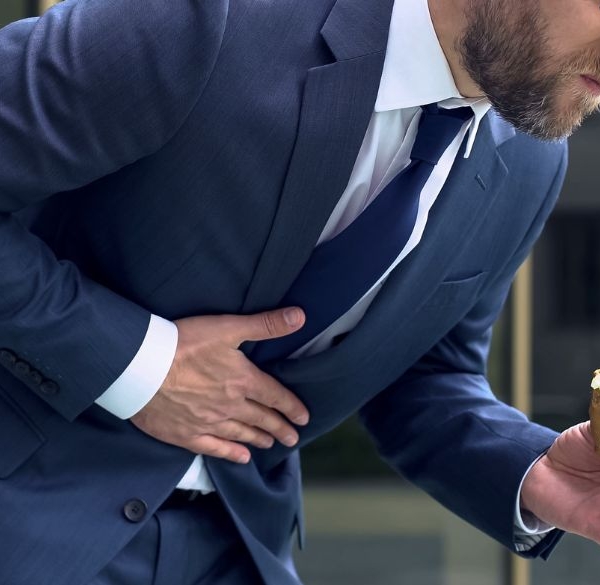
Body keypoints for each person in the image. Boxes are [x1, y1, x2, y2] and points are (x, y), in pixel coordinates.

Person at [1, 0, 600, 583]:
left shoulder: (530, 163)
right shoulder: (205, 18)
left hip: (237, 547)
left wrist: (534, 474)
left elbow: (425, 378)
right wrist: (137, 361)